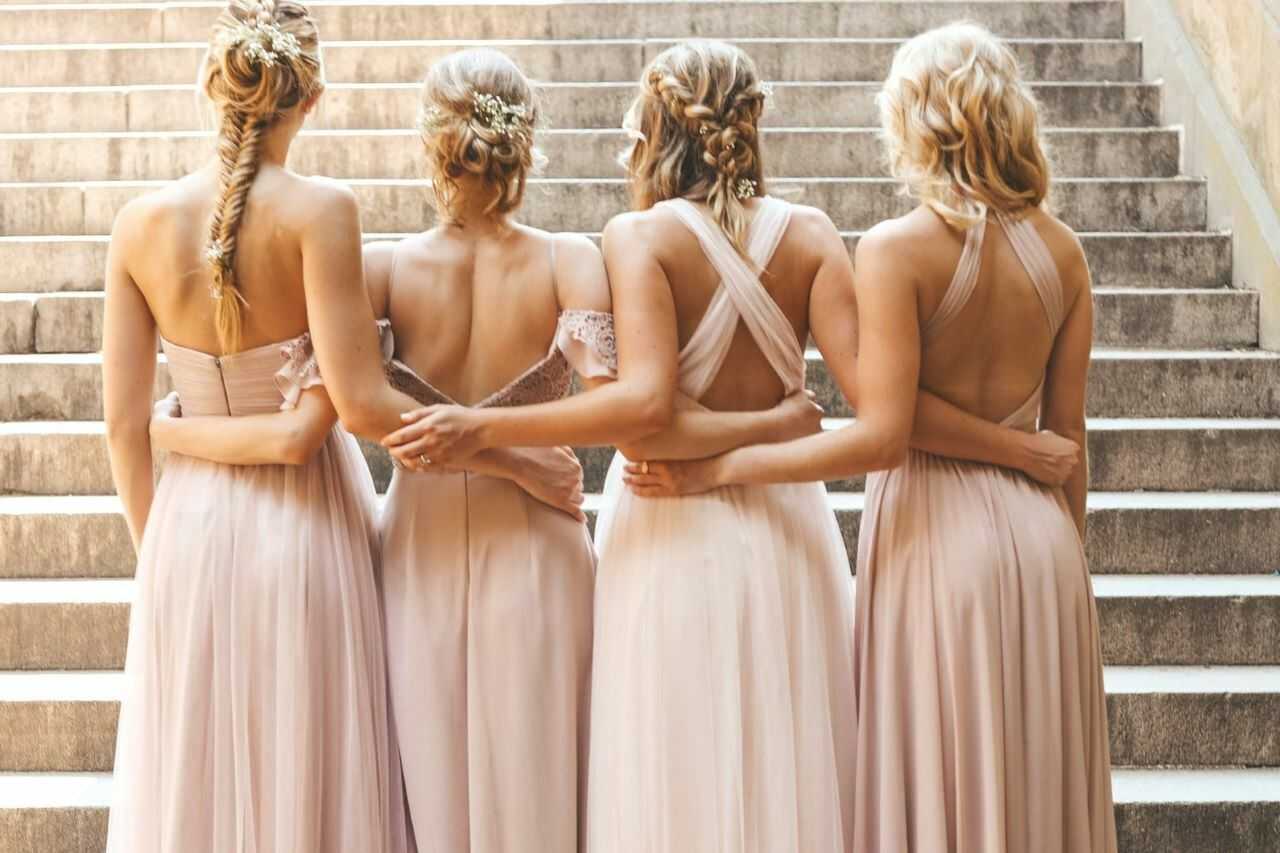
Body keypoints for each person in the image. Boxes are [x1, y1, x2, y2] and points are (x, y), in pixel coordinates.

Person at [380, 39, 1075, 852]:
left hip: (668, 528)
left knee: (670, 771)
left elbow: (646, 419)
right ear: (749, 123)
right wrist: (782, 423)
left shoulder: (637, 238)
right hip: (789, 532)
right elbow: (879, 414)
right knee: (791, 768)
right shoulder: (812, 235)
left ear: (657, 128)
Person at [625, 24, 1117, 853]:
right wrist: (1062, 545)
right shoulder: (1065, 254)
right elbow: (1067, 439)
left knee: (946, 782)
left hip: (937, 536)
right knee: (1037, 788)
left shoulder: (896, 250)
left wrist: (723, 466)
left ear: (915, 120)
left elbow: (882, 430)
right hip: (1047, 544)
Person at [101, 2, 411, 850]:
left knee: (196, 790)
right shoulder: (322, 213)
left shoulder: (138, 225)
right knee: (310, 773)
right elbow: (350, 402)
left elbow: (124, 427)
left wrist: (160, 547)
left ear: (214, 85)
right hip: (307, 527)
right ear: (311, 97)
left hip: (188, 532)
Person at [363, 48, 613, 851]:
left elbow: (342, 406)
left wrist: (467, 435)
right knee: (542, 783)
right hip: (537, 534)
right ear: (524, 137)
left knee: (428, 781)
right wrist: (509, 452)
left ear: (430, 139)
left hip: (421, 541)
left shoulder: (382, 269)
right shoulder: (569, 259)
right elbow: (617, 404)